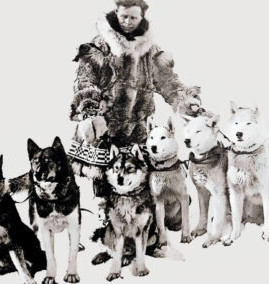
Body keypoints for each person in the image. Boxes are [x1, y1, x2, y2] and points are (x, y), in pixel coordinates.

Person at [68, 0, 202, 262]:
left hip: (138, 128)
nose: (128, 21)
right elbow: (84, 81)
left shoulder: (151, 51)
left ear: (142, 17)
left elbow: (168, 83)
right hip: (104, 127)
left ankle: (150, 239)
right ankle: (113, 243)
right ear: (115, 14)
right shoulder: (98, 47)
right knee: (107, 184)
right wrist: (91, 111)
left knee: (143, 184)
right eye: (124, 16)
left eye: (133, 17)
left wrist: (186, 101)